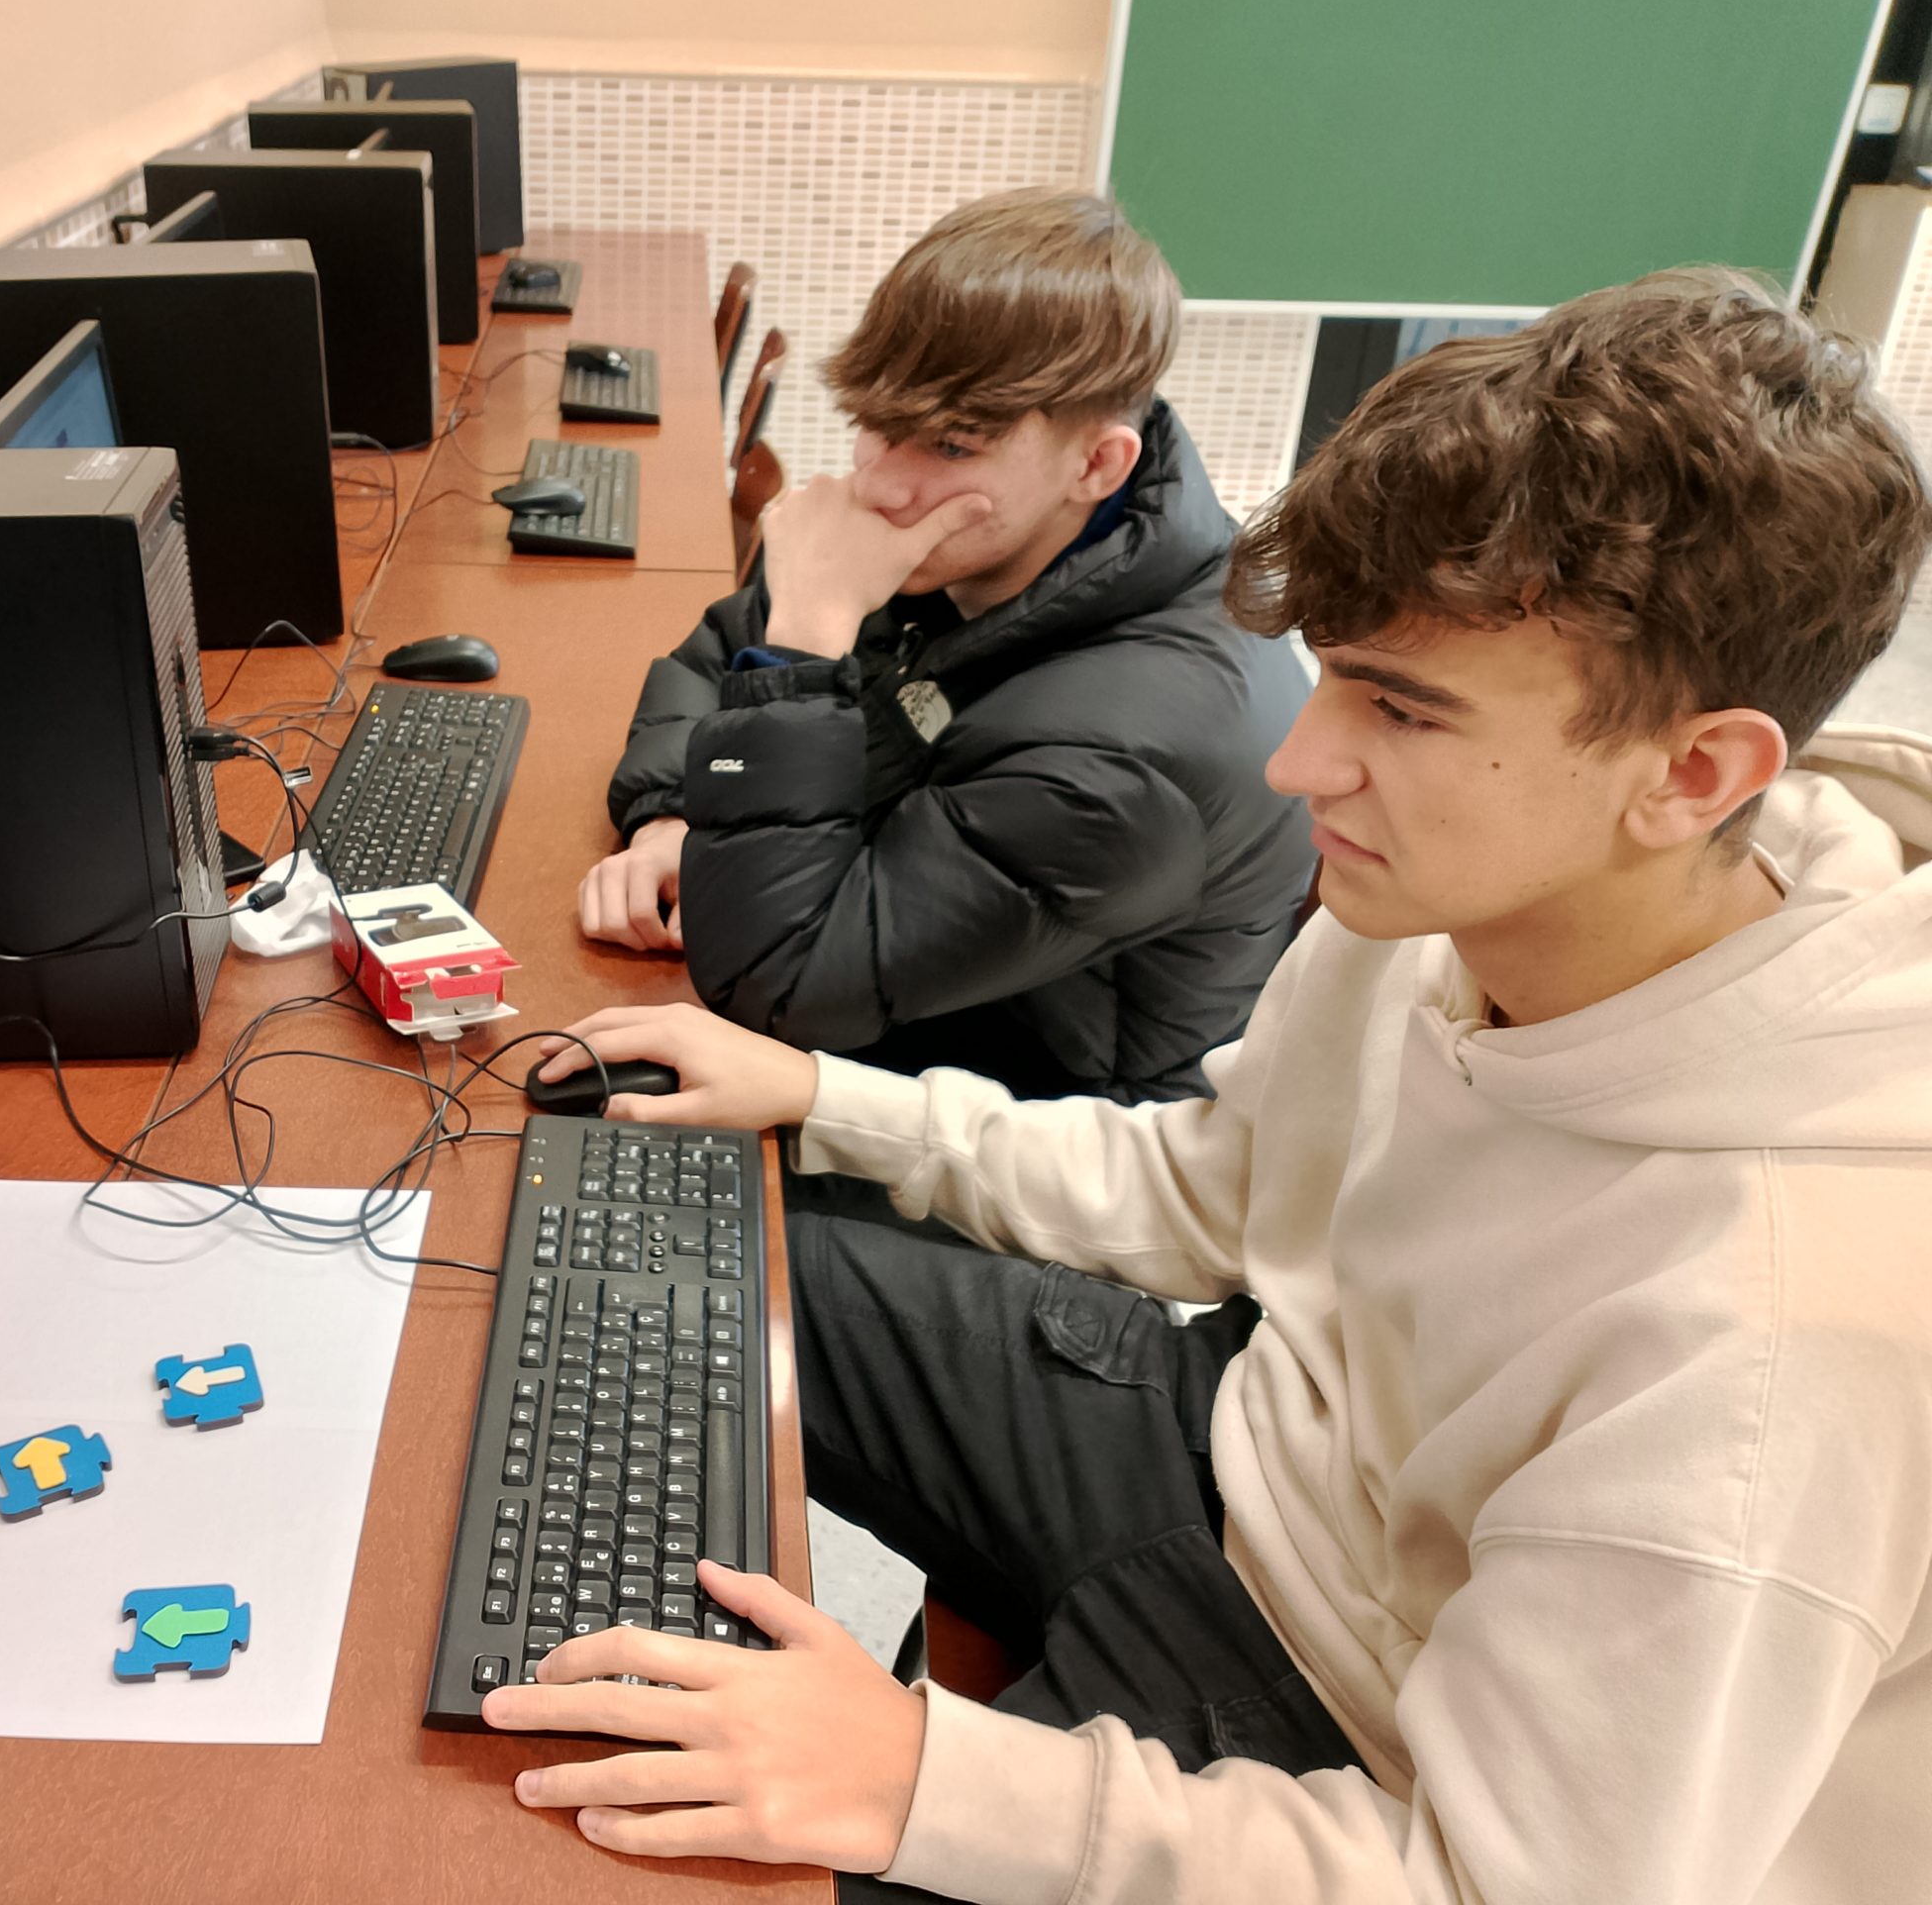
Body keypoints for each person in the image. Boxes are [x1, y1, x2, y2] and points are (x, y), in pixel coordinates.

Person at [485, 268, 1932, 1903]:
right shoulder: (1459, 900)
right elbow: (1210, 1188)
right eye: (1338, 675)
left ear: (1695, 773)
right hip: (1235, 1447)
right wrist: (821, 1093)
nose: (1303, 761)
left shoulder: (1779, 1338)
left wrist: (919, 1776)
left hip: (1353, 1746)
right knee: (647, 1249)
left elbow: (1486, 1885)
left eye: (1403, 709)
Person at [582, 187, 1314, 1104]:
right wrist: (674, 821)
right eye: (874, 423)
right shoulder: (991, 539)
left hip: (1022, 1127)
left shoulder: (1130, 763)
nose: (881, 484)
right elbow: (717, 660)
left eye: (952, 447)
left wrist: (803, 648)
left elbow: (785, 987)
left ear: (1099, 464)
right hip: (881, 997)